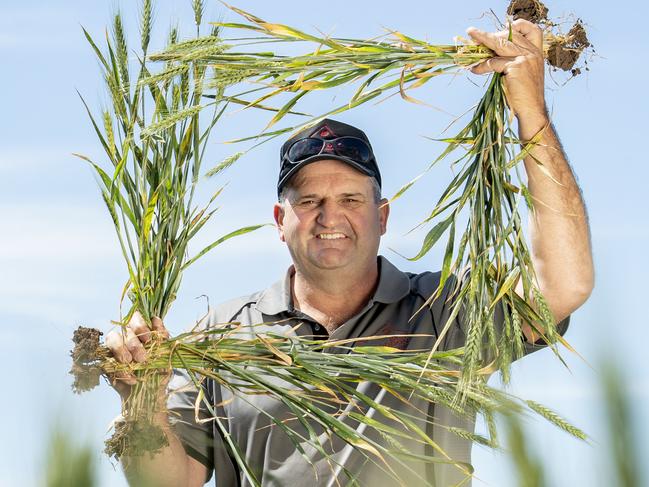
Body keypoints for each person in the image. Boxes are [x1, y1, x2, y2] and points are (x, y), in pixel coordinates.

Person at [105, 19, 594, 487]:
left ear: (382, 217)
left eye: (350, 200)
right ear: (281, 222)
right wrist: (140, 403)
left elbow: (563, 285)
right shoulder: (223, 335)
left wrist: (529, 110)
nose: (329, 217)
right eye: (310, 201)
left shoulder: (445, 311)